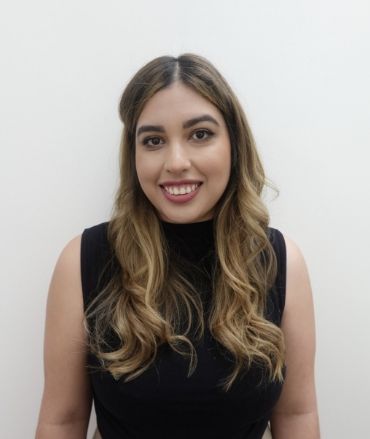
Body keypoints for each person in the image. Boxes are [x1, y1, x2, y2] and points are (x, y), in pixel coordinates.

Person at [35, 53, 320, 439]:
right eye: (153, 140)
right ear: (133, 154)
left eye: (200, 134)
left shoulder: (279, 260)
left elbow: (298, 415)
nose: (176, 162)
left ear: (234, 143)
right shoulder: (85, 259)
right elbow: (62, 421)